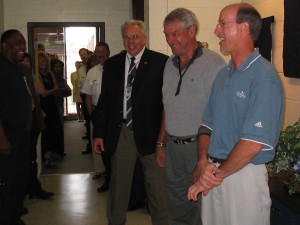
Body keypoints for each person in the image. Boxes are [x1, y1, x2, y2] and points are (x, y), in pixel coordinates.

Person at [187, 3, 284, 225]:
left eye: (222, 24)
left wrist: (214, 177)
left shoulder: (264, 77)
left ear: (243, 28)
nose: (216, 30)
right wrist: (203, 162)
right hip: (213, 171)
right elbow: (206, 126)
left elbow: (252, 144)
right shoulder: (223, 75)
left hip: (243, 176)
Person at [92, 20, 169, 225]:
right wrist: (98, 133)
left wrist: (163, 140)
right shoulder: (112, 64)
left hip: (152, 136)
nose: (131, 41)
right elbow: (105, 101)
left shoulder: (162, 62)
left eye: (135, 36)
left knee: (157, 189)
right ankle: (115, 221)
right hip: (122, 132)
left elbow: (167, 104)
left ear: (144, 38)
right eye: (127, 37)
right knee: (118, 186)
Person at [155, 8, 226, 225]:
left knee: (203, 207)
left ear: (192, 30)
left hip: (200, 147)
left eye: (174, 33)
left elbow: (220, 114)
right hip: (174, 148)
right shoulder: (169, 64)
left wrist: (204, 159)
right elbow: (168, 106)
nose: (169, 40)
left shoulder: (214, 64)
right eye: (166, 34)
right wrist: (161, 142)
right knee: (176, 203)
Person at [0, 29, 30, 225]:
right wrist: (1, 138)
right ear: (4, 46)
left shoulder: (18, 69)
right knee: (5, 183)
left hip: (21, 135)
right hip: (6, 137)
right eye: (17, 43)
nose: (22, 48)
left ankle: (13, 217)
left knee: (19, 181)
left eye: (23, 44)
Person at [22, 53, 54, 200]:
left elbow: (37, 95)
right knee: (24, 159)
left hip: (33, 121)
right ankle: (26, 190)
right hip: (21, 125)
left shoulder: (30, 77)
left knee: (32, 157)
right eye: (24, 61)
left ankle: (34, 188)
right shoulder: (14, 78)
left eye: (29, 61)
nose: (27, 64)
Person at [81, 42, 110, 185]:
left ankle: (111, 172)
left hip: (111, 111)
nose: (100, 55)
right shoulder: (92, 71)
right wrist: (91, 114)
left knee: (110, 143)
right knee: (96, 142)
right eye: (98, 52)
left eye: (103, 52)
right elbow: (87, 96)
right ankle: (99, 170)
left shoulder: (115, 69)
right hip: (97, 111)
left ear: (108, 52)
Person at [77, 48, 93, 154]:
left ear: (88, 54)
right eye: (81, 55)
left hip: (95, 98)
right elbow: (80, 85)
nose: (83, 56)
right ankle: (90, 145)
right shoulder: (80, 70)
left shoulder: (95, 68)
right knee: (88, 121)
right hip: (85, 97)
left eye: (85, 54)